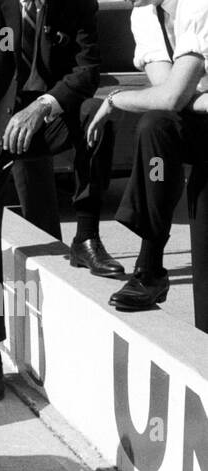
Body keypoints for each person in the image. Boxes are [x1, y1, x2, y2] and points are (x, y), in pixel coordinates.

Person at [0, 0, 122, 401]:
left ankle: (86, 238)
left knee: (97, 116)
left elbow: (87, 69)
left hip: (41, 120)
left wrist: (44, 105)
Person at [88, 0, 208, 331]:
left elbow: (173, 97)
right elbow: (167, 95)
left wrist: (114, 99)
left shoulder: (198, 5)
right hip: (199, 120)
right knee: (155, 126)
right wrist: (186, 93)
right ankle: (150, 268)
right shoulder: (144, 14)